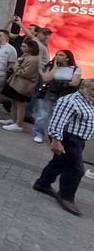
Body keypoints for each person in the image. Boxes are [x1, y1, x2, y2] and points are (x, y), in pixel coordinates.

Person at [31, 79, 94, 216]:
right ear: (82, 87)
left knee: (59, 163)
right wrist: (56, 141)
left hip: (78, 139)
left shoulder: (88, 100)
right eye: (92, 90)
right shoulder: (70, 101)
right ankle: (66, 197)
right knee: (76, 170)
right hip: (69, 139)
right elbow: (57, 122)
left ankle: (42, 183)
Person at [32, 50, 82, 143]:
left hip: (64, 94)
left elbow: (75, 83)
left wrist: (57, 83)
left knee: (58, 116)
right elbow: (46, 79)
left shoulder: (75, 69)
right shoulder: (51, 67)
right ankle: (39, 133)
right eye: (57, 54)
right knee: (43, 114)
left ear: (67, 58)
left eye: (61, 55)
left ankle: (54, 137)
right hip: (49, 92)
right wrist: (55, 67)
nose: (58, 56)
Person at [0, 40, 41, 133]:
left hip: (23, 85)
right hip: (16, 83)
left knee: (20, 104)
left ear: (31, 48)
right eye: (22, 46)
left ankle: (18, 124)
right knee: (13, 102)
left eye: (24, 47)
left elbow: (25, 73)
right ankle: (13, 119)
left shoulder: (34, 59)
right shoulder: (26, 55)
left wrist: (16, 65)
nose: (21, 48)